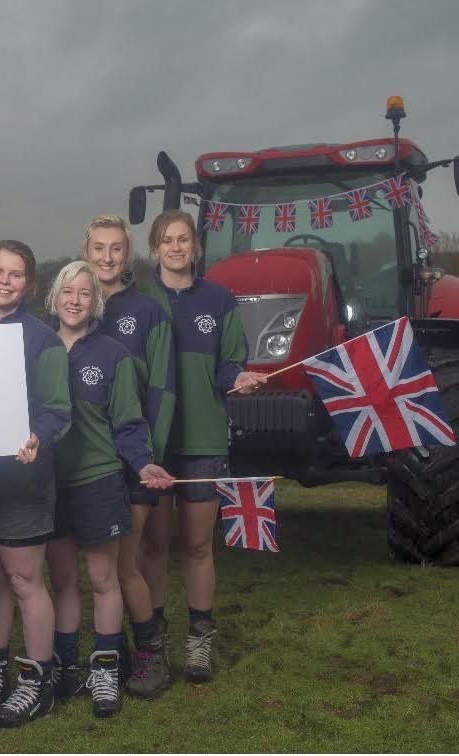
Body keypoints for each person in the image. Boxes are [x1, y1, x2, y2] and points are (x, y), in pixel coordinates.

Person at [137, 209, 266, 686]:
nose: (175, 247)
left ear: (194, 247)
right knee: (152, 545)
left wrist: (240, 378)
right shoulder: (138, 300)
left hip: (203, 438)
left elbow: (227, 366)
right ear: (154, 248)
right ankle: (155, 639)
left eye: (183, 239)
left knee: (195, 544)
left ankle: (198, 640)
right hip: (152, 441)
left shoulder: (219, 299)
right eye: (166, 239)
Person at [43, 260, 173, 718]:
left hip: (99, 480)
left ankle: (105, 667)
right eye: (67, 291)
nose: (74, 300)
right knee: (62, 582)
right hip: (49, 485)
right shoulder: (36, 349)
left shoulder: (113, 354)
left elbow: (129, 425)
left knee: (103, 578)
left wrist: (143, 463)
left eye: (84, 293)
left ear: (95, 301)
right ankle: (65, 667)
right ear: (54, 297)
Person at [0, 240, 71, 728]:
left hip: (22, 477)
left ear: (28, 284)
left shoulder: (42, 339)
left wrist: (38, 438)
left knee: (25, 580)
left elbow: (58, 410)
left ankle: (37, 679)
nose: (4, 281)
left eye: (14, 274)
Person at [82, 215, 176, 698]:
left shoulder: (147, 311)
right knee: (94, 569)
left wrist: (146, 458)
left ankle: (151, 655)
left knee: (124, 564)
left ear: (128, 253)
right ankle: (108, 656)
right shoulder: (74, 304)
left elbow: (160, 389)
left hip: (132, 458)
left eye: (116, 249)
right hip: (86, 464)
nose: (106, 257)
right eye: (98, 248)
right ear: (87, 249)